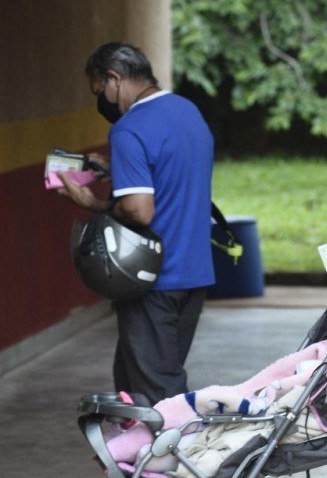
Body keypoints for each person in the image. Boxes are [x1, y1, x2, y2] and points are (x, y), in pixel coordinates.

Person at [57, 42, 215, 405]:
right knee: (133, 381)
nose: (104, 103)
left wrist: (92, 203)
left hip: (153, 277)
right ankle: (141, 459)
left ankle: (174, 461)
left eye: (101, 91)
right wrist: (118, 172)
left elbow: (140, 211)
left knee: (158, 398)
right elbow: (171, 177)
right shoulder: (187, 112)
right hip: (194, 272)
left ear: (114, 79)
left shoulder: (130, 129)